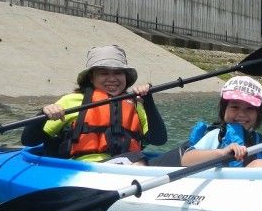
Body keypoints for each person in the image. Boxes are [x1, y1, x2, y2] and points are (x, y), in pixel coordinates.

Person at [21, 45, 166, 164]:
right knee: (137, 159)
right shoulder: (72, 101)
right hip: (85, 168)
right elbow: (29, 140)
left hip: (128, 167)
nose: (112, 79)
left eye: (118, 73)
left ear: (126, 77)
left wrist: (149, 102)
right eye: (104, 73)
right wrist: (43, 114)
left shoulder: (135, 104)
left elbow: (159, 140)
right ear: (91, 78)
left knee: (178, 152)